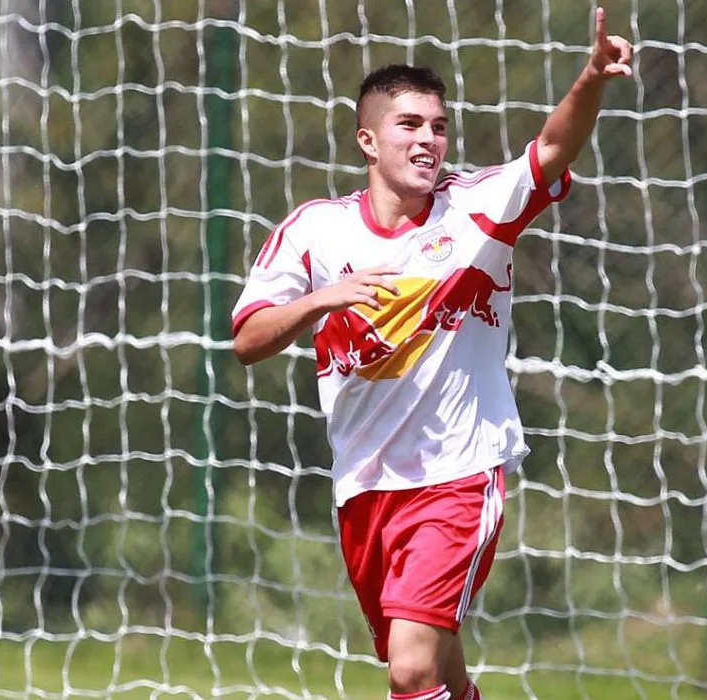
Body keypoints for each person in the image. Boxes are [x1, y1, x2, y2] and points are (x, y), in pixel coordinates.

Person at [232, 8, 632, 699]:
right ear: (367, 139)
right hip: (364, 483)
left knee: (410, 670)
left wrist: (591, 78)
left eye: (438, 127)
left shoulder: (479, 206)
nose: (428, 140)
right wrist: (322, 301)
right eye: (408, 125)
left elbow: (552, 149)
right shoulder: (314, 230)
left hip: (458, 473)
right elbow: (248, 341)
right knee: (439, 670)